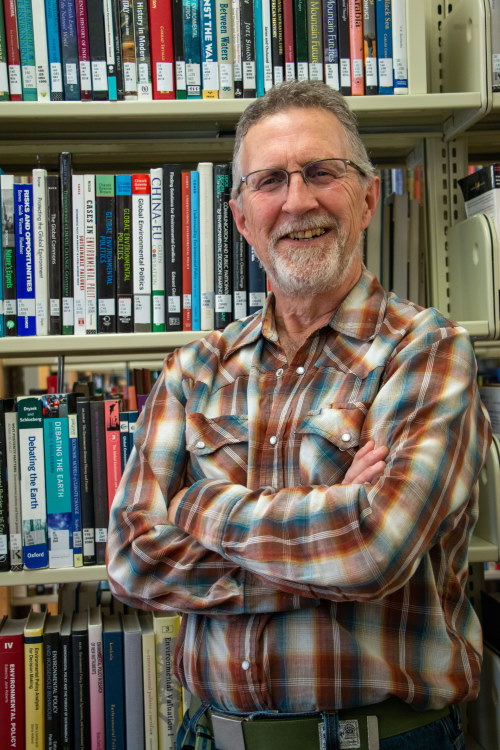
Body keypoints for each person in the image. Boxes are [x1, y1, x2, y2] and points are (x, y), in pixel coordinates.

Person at [107, 80, 491, 750]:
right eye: (270, 181)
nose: (298, 200)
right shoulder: (194, 368)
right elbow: (134, 560)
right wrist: (325, 524)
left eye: (322, 172)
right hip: (210, 735)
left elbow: (373, 550)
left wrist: (202, 506)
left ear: (368, 198)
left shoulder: (428, 351)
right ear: (241, 217)